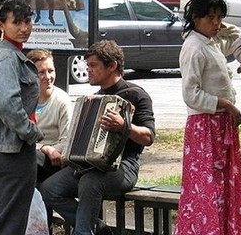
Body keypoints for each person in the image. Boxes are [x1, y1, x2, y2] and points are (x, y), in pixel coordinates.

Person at [40, 40, 155, 235]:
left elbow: (149, 136)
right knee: (50, 188)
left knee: (90, 182)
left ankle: (84, 232)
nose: (88, 70)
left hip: (125, 166)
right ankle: (100, 229)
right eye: (87, 66)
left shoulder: (136, 95)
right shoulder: (94, 98)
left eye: (93, 65)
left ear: (112, 66)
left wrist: (124, 126)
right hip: (90, 166)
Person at [173, 0, 241, 234]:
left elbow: (240, 39)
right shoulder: (194, 47)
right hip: (205, 128)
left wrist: (224, 27)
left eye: (219, 17)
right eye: (210, 17)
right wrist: (224, 104)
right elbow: (190, 94)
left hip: (220, 126)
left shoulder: (211, 42)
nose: (216, 23)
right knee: (206, 190)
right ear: (196, 17)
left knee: (224, 186)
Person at [0, 0, 44, 234]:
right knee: (11, 221)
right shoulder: (6, 58)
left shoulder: (7, 54)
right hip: (9, 151)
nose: (24, 28)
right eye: (17, 22)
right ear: (1, 25)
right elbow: (9, 105)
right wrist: (31, 132)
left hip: (3, 149)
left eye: (27, 21)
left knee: (7, 217)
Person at [25, 49, 72, 183]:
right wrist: (43, 148)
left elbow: (66, 142)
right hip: (29, 153)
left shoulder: (62, 101)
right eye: (41, 72)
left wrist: (48, 150)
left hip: (52, 161)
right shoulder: (23, 99)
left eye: (51, 71)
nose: (48, 77)